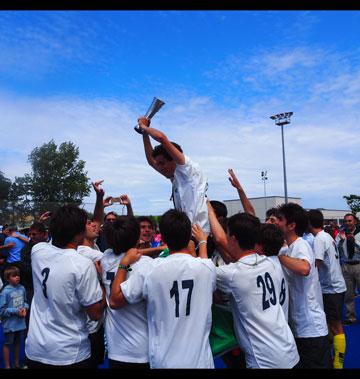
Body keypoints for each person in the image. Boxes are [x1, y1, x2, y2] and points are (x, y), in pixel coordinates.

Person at [109, 209, 216, 368]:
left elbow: (115, 300)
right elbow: (203, 261)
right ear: (188, 236)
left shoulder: (149, 269)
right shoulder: (206, 267)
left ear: (163, 237)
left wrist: (124, 264)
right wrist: (202, 242)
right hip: (201, 362)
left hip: (164, 360)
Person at [211, 212, 299, 368]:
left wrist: (202, 242)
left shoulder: (233, 274)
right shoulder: (270, 261)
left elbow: (203, 268)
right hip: (289, 350)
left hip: (265, 360)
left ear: (233, 239)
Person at [25, 205, 106, 368]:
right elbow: (95, 313)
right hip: (69, 353)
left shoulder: (38, 251)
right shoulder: (82, 264)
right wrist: (101, 282)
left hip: (35, 349)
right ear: (80, 233)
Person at [277, 203, 330, 368]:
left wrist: (278, 256)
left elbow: (304, 268)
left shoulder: (301, 245)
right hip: (300, 327)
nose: (275, 223)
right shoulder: (290, 247)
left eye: (279, 219)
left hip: (311, 329)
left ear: (291, 226)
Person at [137, 116, 209, 233]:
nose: (159, 167)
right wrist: (144, 133)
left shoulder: (188, 169)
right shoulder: (175, 177)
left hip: (199, 235)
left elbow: (161, 138)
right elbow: (151, 161)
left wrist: (143, 126)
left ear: (174, 159)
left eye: (162, 163)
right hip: (186, 235)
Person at [101, 215, 152, 368]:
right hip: (140, 348)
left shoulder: (105, 258)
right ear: (137, 236)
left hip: (115, 347)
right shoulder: (146, 265)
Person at [308, 209, 347, 369]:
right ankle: (334, 358)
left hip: (331, 289)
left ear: (309, 223)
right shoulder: (327, 236)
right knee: (331, 324)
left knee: (336, 326)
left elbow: (316, 265)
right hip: (335, 287)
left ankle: (338, 363)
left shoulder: (319, 239)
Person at [77, 180, 106, 368]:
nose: (95, 225)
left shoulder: (93, 245)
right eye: (89, 224)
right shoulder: (83, 251)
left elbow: (97, 219)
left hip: (97, 321)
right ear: (80, 231)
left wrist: (99, 196)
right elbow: (123, 264)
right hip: (88, 324)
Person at [19, 222, 48, 335]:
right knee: (31, 319)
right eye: (29, 234)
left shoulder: (52, 249)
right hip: (31, 289)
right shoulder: (26, 250)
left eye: (34, 234)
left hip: (47, 290)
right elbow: (27, 270)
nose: (31, 237)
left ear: (44, 235)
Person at [258, 223, 289, 321]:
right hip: (282, 325)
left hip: (273, 328)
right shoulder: (276, 261)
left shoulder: (263, 266)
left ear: (260, 245)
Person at [0, 266, 29, 369]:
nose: (17, 277)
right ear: (7, 278)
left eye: (18, 275)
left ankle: (16, 364)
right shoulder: (5, 292)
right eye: (14, 276)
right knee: (8, 343)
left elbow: (25, 302)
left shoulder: (22, 288)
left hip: (20, 323)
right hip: (10, 324)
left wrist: (25, 308)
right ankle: (7, 366)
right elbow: (2, 310)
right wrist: (16, 311)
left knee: (17, 343)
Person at [336, 213, 360, 325]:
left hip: (358, 265)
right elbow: (336, 248)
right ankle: (350, 317)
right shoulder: (341, 233)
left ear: (355, 221)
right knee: (348, 294)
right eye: (345, 221)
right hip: (346, 266)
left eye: (350, 221)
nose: (347, 223)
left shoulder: (359, 233)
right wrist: (342, 240)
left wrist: (352, 240)